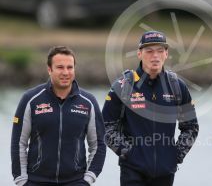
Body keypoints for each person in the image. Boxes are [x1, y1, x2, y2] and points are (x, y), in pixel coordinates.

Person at [102, 31, 199, 186]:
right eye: (149, 51)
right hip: (132, 172)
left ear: (166, 54)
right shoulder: (123, 86)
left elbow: (191, 127)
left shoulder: (177, 86)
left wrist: (176, 154)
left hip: (165, 174)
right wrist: (127, 152)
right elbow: (105, 127)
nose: (155, 56)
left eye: (160, 51)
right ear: (139, 54)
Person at [11, 46, 106, 186]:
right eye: (60, 67)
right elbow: (18, 143)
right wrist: (21, 180)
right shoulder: (30, 99)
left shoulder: (88, 102)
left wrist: (88, 179)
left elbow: (98, 144)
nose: (66, 72)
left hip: (75, 181)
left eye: (70, 67)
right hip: (36, 181)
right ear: (49, 69)